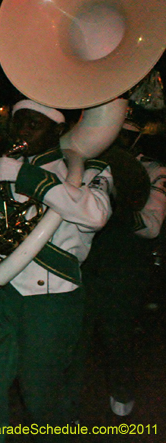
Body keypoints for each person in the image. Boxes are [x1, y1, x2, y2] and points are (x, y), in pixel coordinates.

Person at [0, 100, 113, 441]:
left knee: (41, 394)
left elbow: (95, 215)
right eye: (19, 122)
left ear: (58, 129)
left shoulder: (90, 169)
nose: (23, 131)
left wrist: (26, 177)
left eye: (35, 124)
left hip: (51, 297)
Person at [64, 117, 166, 419]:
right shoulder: (89, 164)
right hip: (85, 261)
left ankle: (121, 390)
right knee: (75, 335)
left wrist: (119, 206)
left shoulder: (154, 170)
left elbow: (150, 227)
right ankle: (65, 402)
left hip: (123, 268)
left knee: (116, 334)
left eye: (124, 135)